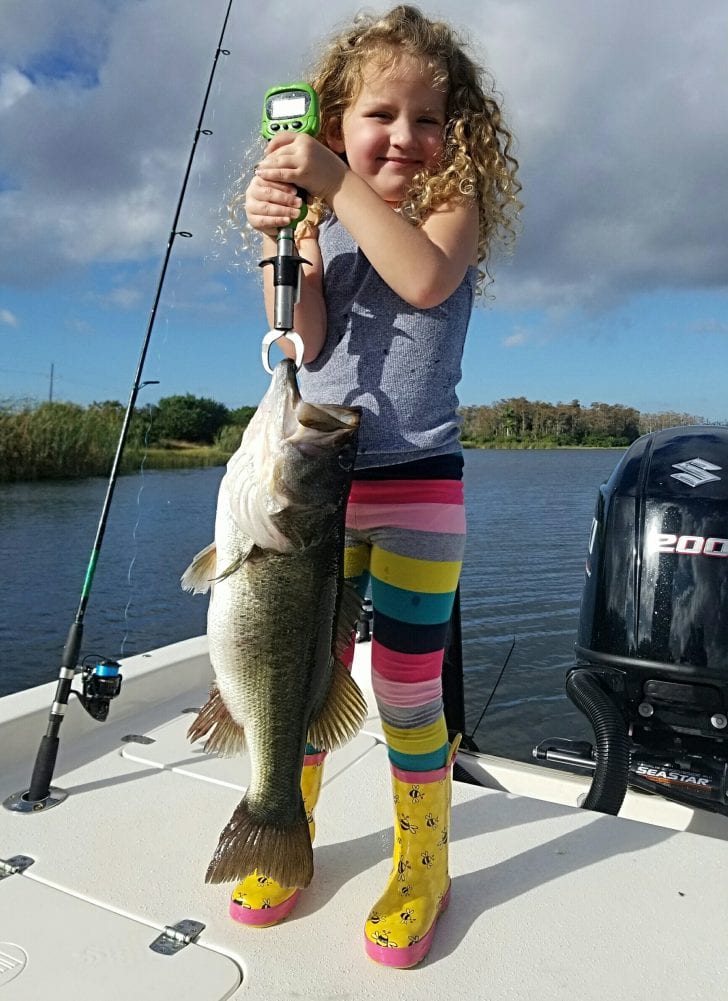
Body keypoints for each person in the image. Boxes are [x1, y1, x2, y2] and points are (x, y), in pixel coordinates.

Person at [236, 3, 520, 967]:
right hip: (323, 486)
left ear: (458, 131)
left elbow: (426, 279)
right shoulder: (326, 219)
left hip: (420, 487)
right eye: (379, 116)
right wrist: (281, 239)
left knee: (403, 686)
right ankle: (288, 830)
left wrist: (331, 183)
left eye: (428, 117)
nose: (406, 136)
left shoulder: (449, 206)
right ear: (334, 118)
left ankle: (421, 863)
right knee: (308, 678)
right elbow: (306, 339)